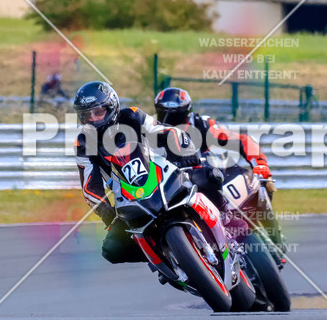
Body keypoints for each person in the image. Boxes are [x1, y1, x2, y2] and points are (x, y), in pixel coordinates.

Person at [72, 81, 199, 264]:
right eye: (86, 115)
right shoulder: (83, 142)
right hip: (127, 198)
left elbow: (166, 132)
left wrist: (185, 153)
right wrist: (107, 213)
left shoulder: (132, 115)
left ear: (112, 107)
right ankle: (164, 260)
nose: (92, 120)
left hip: (160, 175)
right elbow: (89, 186)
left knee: (211, 178)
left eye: (97, 112)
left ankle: (229, 227)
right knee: (112, 250)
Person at [153, 86, 272, 181]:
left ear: (188, 113)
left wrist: (260, 164)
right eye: (164, 115)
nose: (171, 123)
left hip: (205, 182)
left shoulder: (204, 125)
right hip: (167, 184)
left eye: (177, 117)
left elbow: (243, 140)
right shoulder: (151, 128)